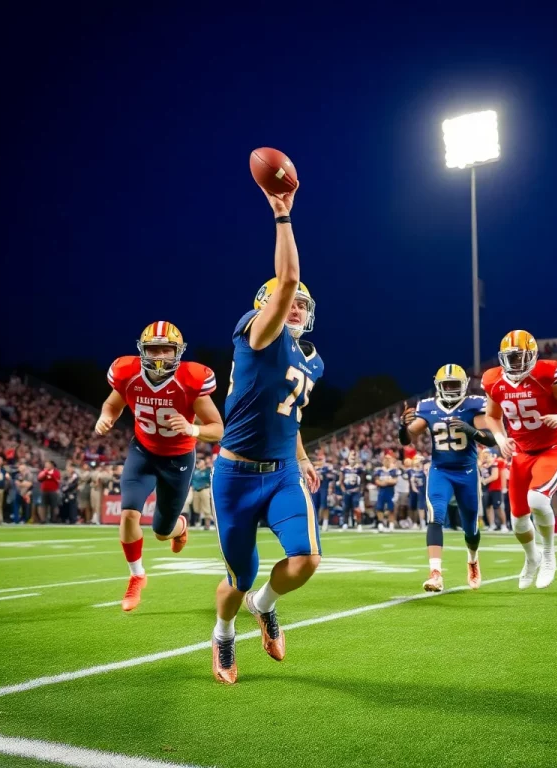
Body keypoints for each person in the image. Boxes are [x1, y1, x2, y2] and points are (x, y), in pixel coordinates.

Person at [210, 182, 325, 685]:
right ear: (270, 302)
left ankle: (265, 605)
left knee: (305, 561)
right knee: (238, 577)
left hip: (280, 473)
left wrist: (300, 456)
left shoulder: (312, 360)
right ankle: (224, 633)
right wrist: (282, 215)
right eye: (288, 299)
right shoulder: (257, 331)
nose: (295, 304)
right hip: (235, 474)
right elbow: (288, 278)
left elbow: (289, 413)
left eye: (302, 302)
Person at [95, 321, 223, 612]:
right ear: (143, 351)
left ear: (178, 352)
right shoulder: (128, 374)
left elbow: (218, 429)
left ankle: (179, 528)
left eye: (167, 349)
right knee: (128, 514)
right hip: (142, 452)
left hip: (178, 459)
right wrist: (106, 417)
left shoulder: (191, 379)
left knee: (161, 531)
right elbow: (113, 404)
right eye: (154, 349)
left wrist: (192, 430)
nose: (160, 356)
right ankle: (137, 575)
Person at [482, 330, 557, 589]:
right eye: (510, 357)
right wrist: (500, 439)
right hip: (520, 451)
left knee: (538, 499)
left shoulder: (548, 372)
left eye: (520, 356)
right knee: (518, 520)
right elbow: (492, 416)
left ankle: (549, 555)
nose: (515, 362)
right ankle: (532, 557)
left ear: (532, 355)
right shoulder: (493, 379)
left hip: (553, 446)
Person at [400, 364, 495, 592]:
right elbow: (407, 439)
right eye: (447, 385)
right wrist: (402, 426)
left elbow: (490, 439)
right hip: (440, 470)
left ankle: (472, 560)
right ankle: (435, 573)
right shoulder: (428, 407)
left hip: (467, 472)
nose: (451, 389)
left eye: (455, 385)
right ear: (438, 386)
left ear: (463, 386)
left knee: (471, 527)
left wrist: (470, 430)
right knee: (435, 517)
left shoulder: (473, 405)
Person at [373, 454, 400, 532]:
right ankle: (380, 523)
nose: (387, 461)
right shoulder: (379, 470)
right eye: (385, 459)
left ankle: (391, 524)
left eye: (388, 459)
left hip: (390, 491)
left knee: (391, 508)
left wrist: (386, 481)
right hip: (381, 491)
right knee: (379, 508)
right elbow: (377, 480)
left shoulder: (393, 470)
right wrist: (383, 483)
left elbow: (395, 480)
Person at [339, 454, 363, 531]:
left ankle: (359, 524)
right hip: (347, 490)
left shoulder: (359, 469)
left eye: (354, 458)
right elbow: (341, 481)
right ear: (348, 459)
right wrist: (343, 489)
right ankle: (345, 523)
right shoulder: (344, 469)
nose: (352, 460)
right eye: (351, 458)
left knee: (356, 507)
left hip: (356, 490)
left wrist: (359, 489)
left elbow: (363, 481)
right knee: (346, 507)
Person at [190, 457, 213, 530]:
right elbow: (192, 480)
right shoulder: (195, 472)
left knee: (206, 507)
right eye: (198, 463)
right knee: (196, 508)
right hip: (196, 491)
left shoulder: (208, 471)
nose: (199, 464)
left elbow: (211, 479)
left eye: (200, 463)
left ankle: (207, 525)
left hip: (204, 490)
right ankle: (198, 522)